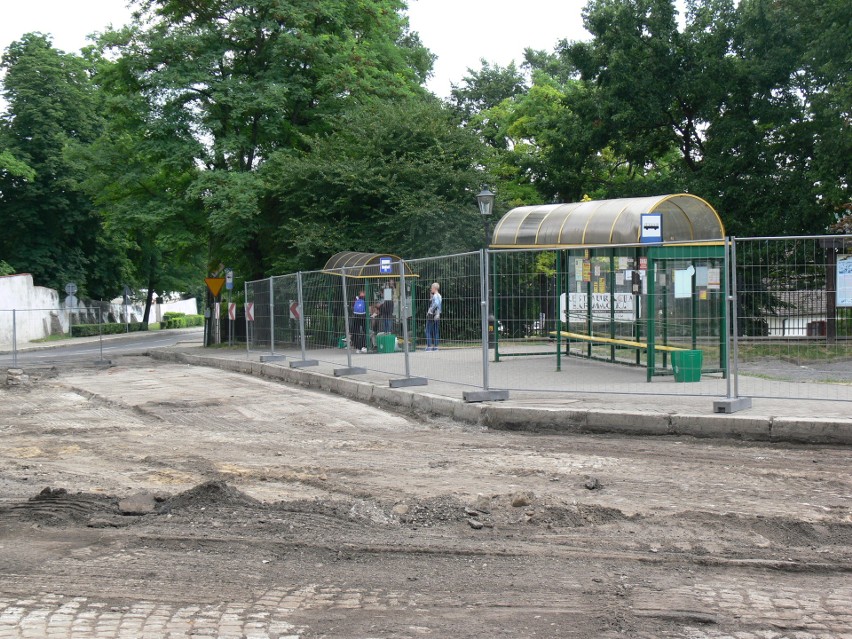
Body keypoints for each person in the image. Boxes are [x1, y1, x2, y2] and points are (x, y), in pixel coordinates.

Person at [425, 282, 442, 351]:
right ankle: (436, 347)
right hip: (437, 315)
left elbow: (436, 303)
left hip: (432, 315)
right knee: (436, 331)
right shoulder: (439, 296)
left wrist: (430, 310)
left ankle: (429, 347)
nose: (431, 289)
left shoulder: (435, 296)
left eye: (431, 288)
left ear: (434, 288)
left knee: (428, 330)